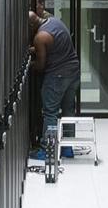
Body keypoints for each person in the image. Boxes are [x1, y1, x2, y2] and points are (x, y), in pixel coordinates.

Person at [28, 11, 80, 140]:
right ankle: (68, 146)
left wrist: (29, 65)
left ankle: (48, 148)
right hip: (73, 72)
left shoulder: (40, 37)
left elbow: (40, 66)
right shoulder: (54, 21)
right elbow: (55, 43)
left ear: (31, 25)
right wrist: (36, 49)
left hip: (57, 76)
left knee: (50, 113)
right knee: (68, 110)